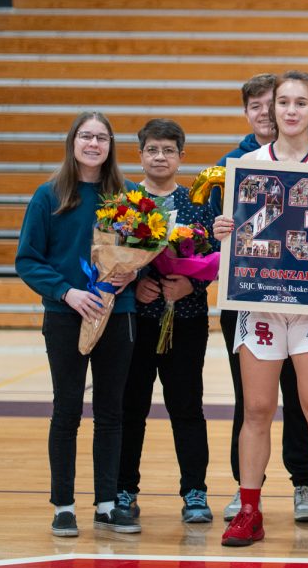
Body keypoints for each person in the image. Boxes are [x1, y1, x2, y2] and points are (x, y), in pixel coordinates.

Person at [213, 71, 308, 548]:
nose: (291, 110)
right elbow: (239, 233)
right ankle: (249, 509)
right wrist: (224, 230)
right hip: (260, 303)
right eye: (283, 103)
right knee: (256, 408)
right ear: (270, 110)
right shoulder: (247, 163)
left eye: (301, 102)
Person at [15, 111, 140, 538]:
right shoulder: (48, 196)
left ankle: (107, 504)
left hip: (117, 317)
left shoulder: (129, 197)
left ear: (110, 146)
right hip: (66, 316)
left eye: (101, 138)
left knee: (111, 413)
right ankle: (63, 506)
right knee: (66, 411)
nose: (93, 144)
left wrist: (131, 273)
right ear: (73, 142)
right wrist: (66, 292)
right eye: (85, 136)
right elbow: (27, 260)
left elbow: (140, 251)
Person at [211, 73, 308, 525]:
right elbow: (218, 236)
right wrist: (219, 232)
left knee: (303, 398)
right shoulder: (232, 165)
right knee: (251, 401)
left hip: (306, 296)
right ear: (253, 112)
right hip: (251, 297)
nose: (268, 111)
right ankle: (246, 490)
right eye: (259, 105)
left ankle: (304, 485)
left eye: (273, 102)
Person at [115, 119, 215, 525]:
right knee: (130, 408)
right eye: (152, 150)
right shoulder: (123, 204)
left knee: (187, 408)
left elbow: (213, 262)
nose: (160, 157)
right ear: (140, 155)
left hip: (186, 320)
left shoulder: (197, 205)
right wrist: (135, 285)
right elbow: (108, 260)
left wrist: (187, 288)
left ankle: (195, 491)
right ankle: (123, 489)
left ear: (181, 157)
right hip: (134, 323)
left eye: (168, 150)